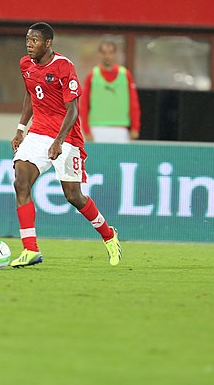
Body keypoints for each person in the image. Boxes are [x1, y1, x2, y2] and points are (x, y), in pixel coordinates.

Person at [9, 22, 122, 267]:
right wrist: (20, 129)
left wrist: (59, 141)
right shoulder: (25, 65)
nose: (29, 45)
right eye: (27, 40)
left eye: (35, 40)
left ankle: (108, 234)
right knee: (21, 182)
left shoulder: (63, 66)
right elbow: (31, 93)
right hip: (37, 133)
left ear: (48, 43)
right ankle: (30, 250)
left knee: (74, 196)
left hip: (66, 136)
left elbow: (73, 110)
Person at [80, 41, 141, 143]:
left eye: (110, 52)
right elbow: (83, 105)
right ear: (99, 54)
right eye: (104, 53)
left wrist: (135, 127)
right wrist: (86, 130)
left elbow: (133, 103)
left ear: (116, 54)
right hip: (96, 128)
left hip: (121, 129)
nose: (107, 56)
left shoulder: (125, 75)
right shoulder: (92, 76)